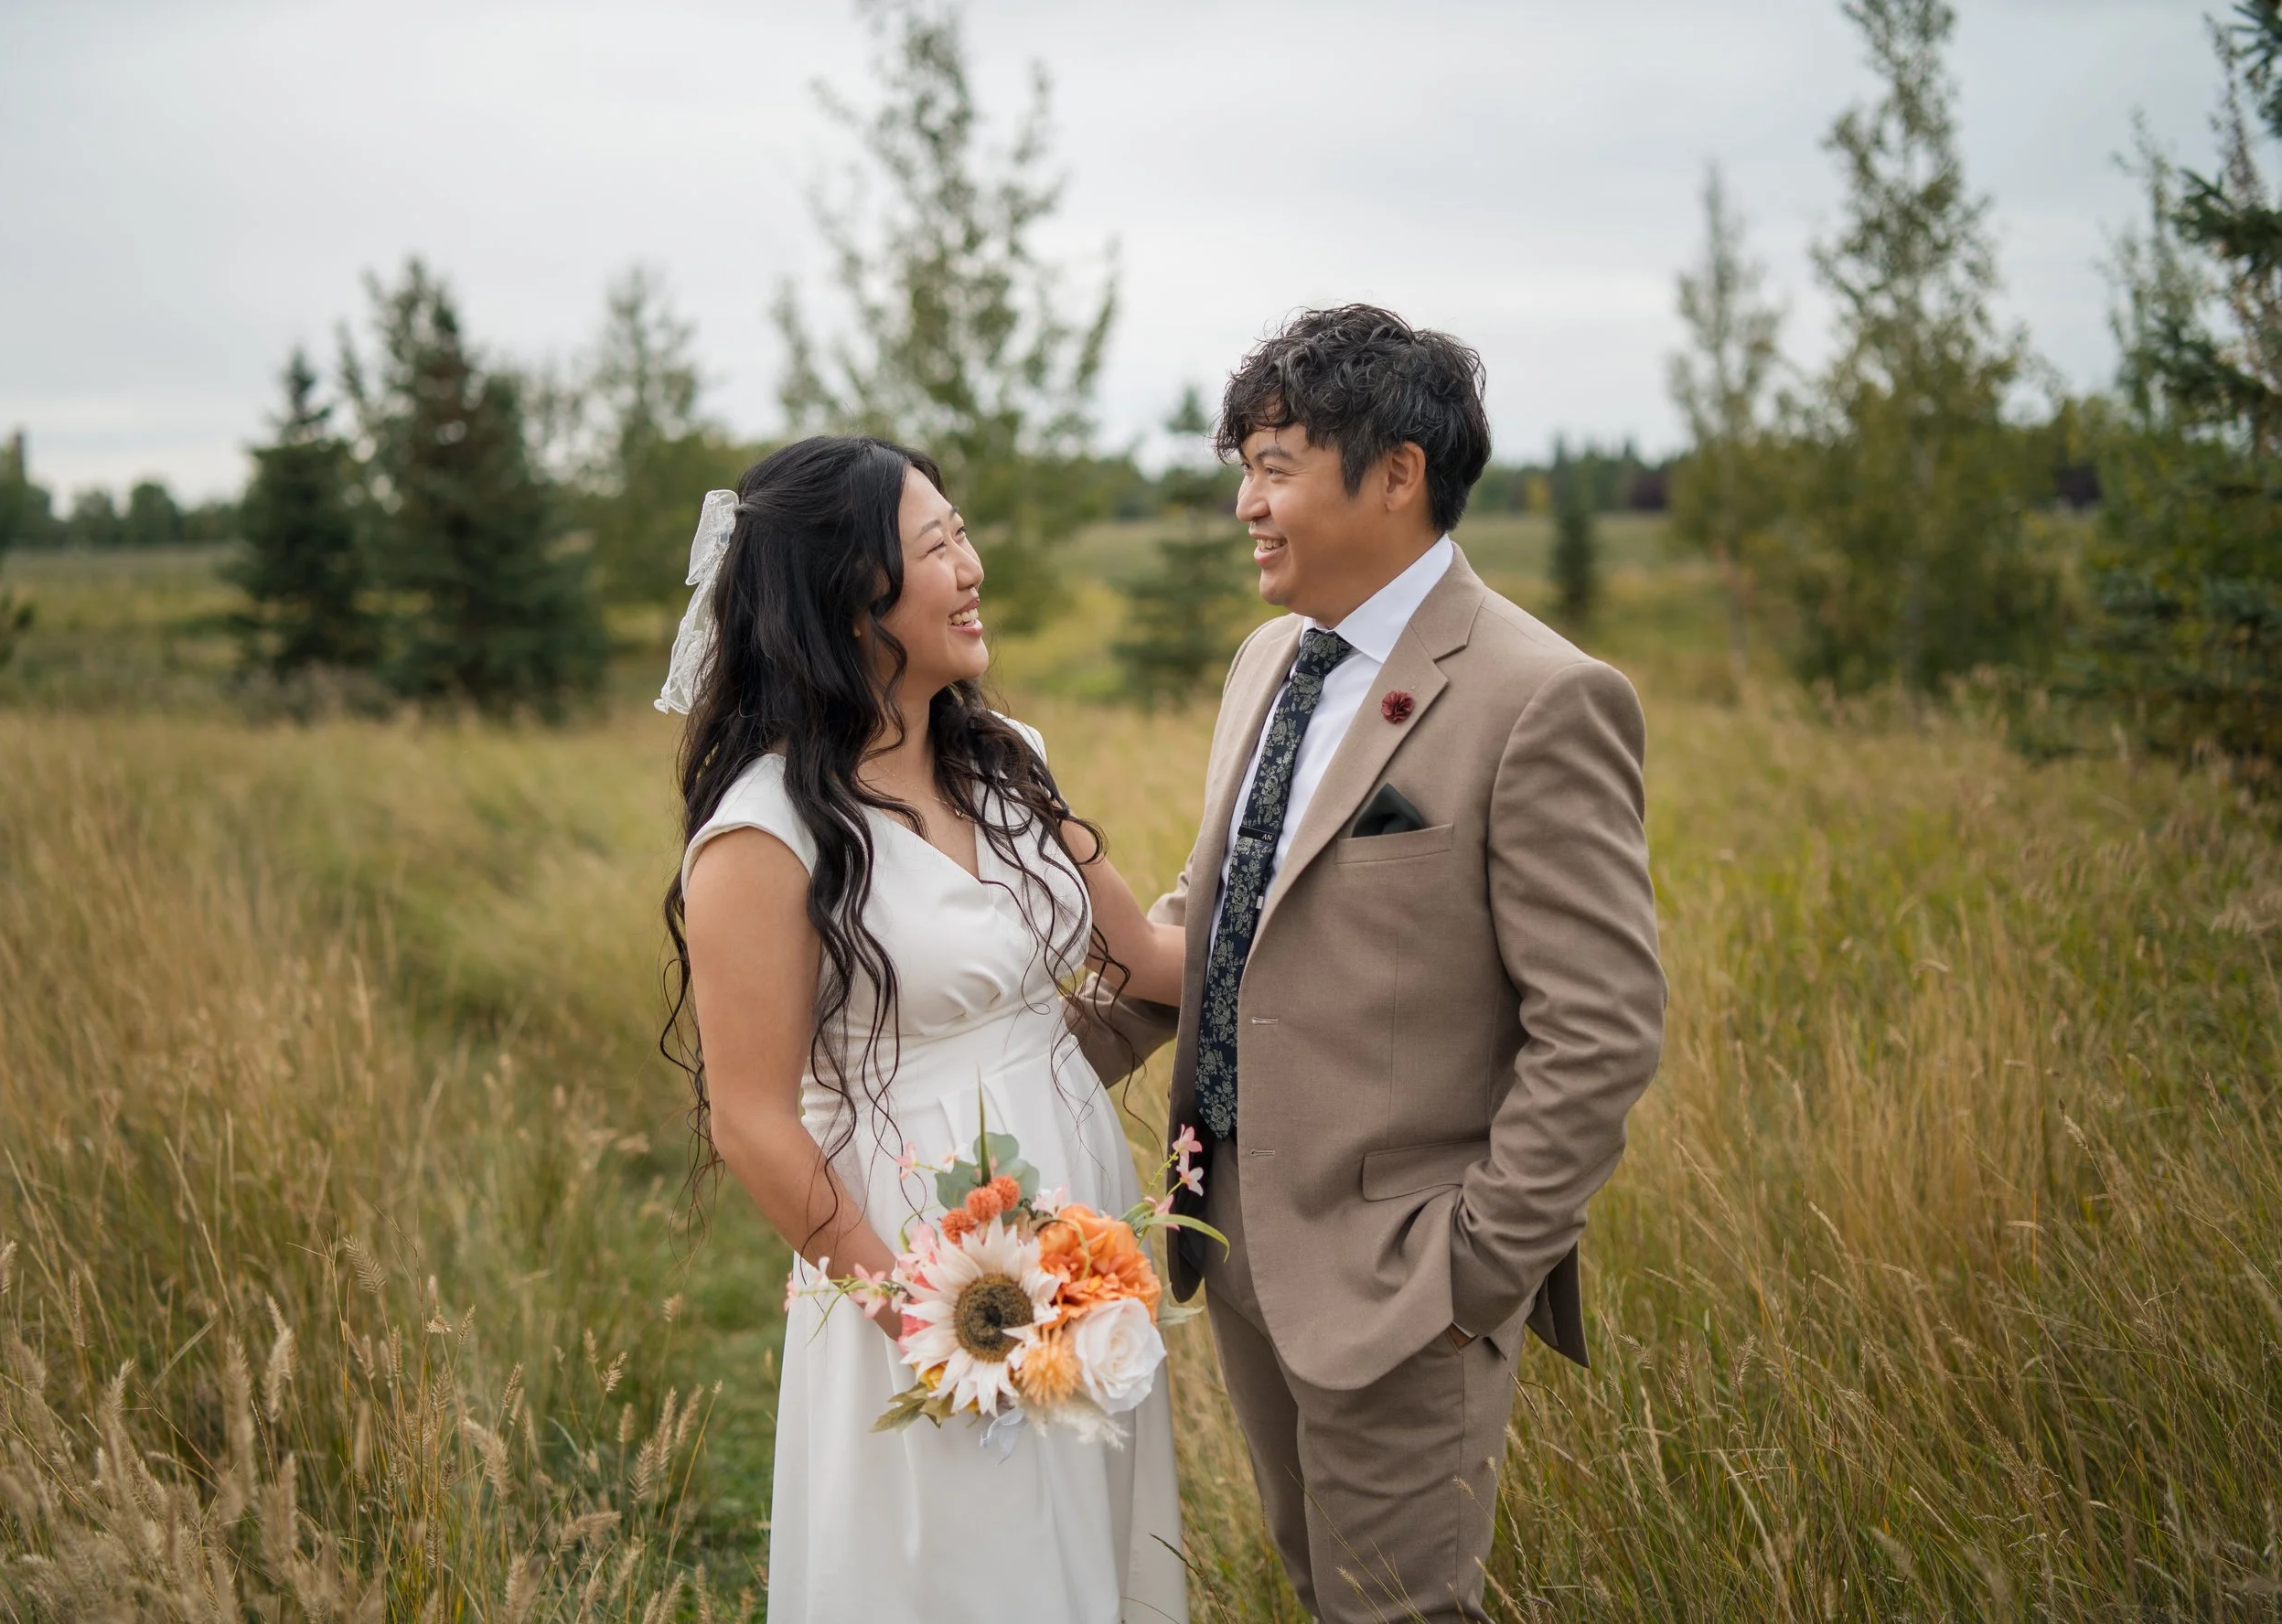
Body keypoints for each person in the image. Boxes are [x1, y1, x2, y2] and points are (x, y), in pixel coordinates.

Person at [1074, 305, 1666, 1622]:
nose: (1246, 504)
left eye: (1275, 463)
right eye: (1245, 467)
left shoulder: (1542, 696)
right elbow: (1220, 916)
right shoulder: (1268, 661)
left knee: (1400, 1611)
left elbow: (1606, 1026)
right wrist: (1036, 1046)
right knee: (1315, 1588)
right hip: (1232, 1244)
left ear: (1398, 473)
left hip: (1405, 1280)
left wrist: (1473, 1274)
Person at [660, 436, 1188, 1624]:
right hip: (915, 1253)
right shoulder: (764, 833)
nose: (974, 564)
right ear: (850, 598)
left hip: (1077, 1208)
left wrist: (1337, 903)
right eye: (938, 544)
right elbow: (749, 1119)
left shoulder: (1008, 763)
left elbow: (1147, 958)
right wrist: (934, 1319)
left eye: (964, 532)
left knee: (1091, 1540)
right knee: (966, 1563)